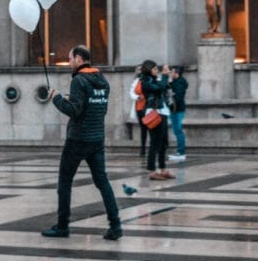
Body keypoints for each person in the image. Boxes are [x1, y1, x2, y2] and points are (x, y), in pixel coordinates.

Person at [42, 45, 123, 241]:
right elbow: (97, 108)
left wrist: (57, 98)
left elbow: (75, 111)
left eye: (70, 59)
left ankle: (62, 226)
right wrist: (72, 99)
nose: (69, 63)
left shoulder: (79, 80)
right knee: (102, 182)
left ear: (78, 59)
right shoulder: (102, 80)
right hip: (97, 138)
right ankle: (116, 225)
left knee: (65, 182)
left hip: (78, 139)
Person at [138, 60, 172, 180]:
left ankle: (162, 169)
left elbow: (164, 87)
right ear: (148, 70)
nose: (157, 71)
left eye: (157, 69)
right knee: (155, 143)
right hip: (154, 113)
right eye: (155, 69)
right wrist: (164, 75)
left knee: (163, 143)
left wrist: (166, 77)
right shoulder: (145, 81)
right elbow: (159, 88)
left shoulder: (153, 80)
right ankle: (152, 171)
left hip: (162, 112)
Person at [166, 66, 188, 163]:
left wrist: (171, 103)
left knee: (178, 131)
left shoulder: (179, 84)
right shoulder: (176, 82)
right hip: (175, 110)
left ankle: (181, 152)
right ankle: (180, 152)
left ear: (176, 74)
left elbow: (177, 98)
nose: (170, 73)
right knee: (177, 131)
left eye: (172, 72)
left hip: (176, 110)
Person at [129, 66, 148, 156]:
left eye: (140, 69)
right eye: (137, 70)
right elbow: (132, 93)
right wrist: (137, 97)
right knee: (143, 128)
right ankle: (143, 148)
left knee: (150, 128)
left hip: (148, 108)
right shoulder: (136, 81)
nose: (138, 71)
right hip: (139, 108)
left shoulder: (147, 79)